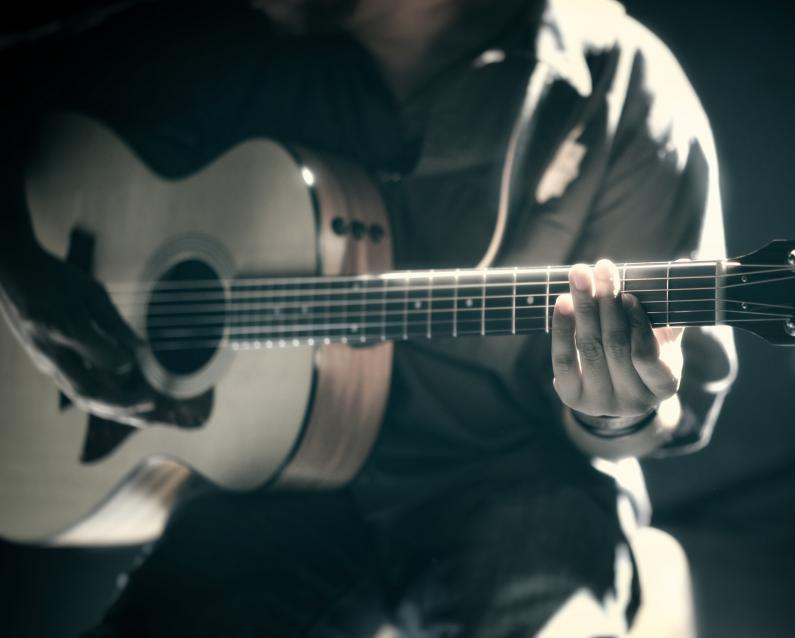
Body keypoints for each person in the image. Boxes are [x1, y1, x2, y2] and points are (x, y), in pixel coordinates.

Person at [0, 0, 736, 635]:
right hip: (269, 489)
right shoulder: (224, 35)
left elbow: (664, 410)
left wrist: (617, 407)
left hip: (518, 482)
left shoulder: (622, 87)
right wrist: (21, 272)